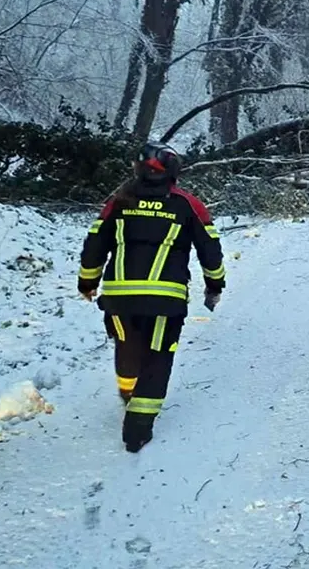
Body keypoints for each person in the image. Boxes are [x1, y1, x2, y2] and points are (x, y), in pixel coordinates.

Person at [77, 141, 226, 452]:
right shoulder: (189, 204)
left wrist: (87, 282)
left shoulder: (117, 202)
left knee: (127, 345)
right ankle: (137, 430)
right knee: (158, 357)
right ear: (174, 172)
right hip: (165, 299)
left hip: (118, 297)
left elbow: (95, 244)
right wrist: (215, 285)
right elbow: (210, 251)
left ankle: (128, 391)